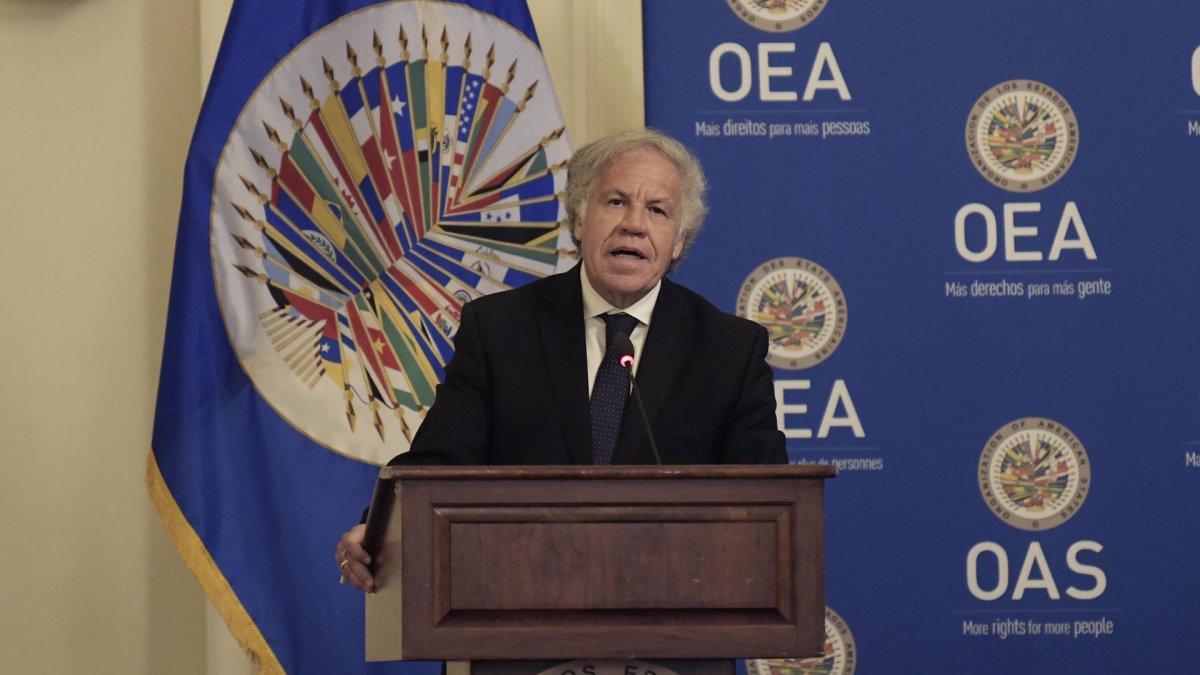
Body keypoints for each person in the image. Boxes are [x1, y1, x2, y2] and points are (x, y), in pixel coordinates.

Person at [336, 128, 786, 591]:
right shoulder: (500, 329)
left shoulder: (729, 349)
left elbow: (766, 499)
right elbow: (438, 464)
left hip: (678, 613)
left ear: (677, 242)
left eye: (657, 210)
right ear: (579, 220)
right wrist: (376, 533)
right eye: (615, 202)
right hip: (515, 603)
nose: (634, 224)